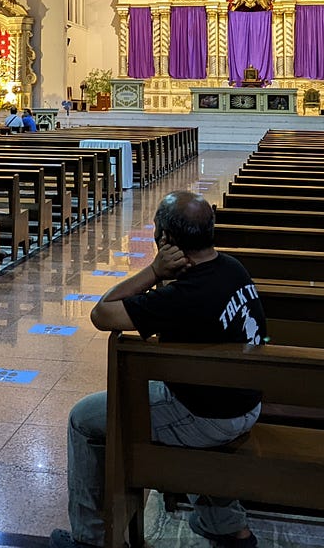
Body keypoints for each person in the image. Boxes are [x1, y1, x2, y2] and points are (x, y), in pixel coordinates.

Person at [51, 192, 266, 548]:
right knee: (187, 405)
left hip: (211, 415)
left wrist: (153, 271)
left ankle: (90, 539)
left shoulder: (183, 296)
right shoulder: (232, 268)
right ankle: (228, 526)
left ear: (165, 239)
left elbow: (102, 313)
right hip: (246, 400)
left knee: (83, 420)